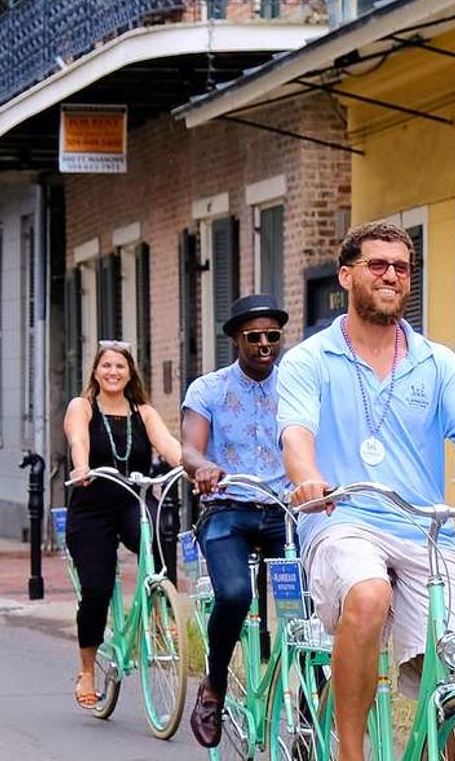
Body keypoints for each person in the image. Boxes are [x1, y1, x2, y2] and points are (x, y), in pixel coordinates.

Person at [281, 222, 455, 761]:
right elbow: (296, 434)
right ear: (346, 275)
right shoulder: (309, 360)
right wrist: (307, 477)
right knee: (368, 595)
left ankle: (448, 744)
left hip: (425, 529)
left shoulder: (436, 363)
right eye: (377, 265)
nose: (391, 275)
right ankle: (350, 753)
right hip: (342, 517)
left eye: (402, 267)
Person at [180, 293, 291, 747]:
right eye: (254, 337)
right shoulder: (208, 389)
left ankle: (314, 701)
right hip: (228, 508)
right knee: (234, 594)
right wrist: (203, 466)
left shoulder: (296, 385)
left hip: (285, 512)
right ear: (236, 340)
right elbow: (189, 449)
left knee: (309, 606)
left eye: (272, 336)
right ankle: (215, 684)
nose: (264, 345)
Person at [64, 339, 184, 710]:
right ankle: (87, 670)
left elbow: (168, 445)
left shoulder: (143, 412)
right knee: (96, 589)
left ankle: (161, 612)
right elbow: (78, 440)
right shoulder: (83, 406)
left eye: (120, 366)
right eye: (106, 366)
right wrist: (81, 467)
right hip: (91, 508)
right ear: (96, 371)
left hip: (132, 501)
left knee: (159, 533)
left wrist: (196, 468)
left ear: (130, 373)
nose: (113, 372)